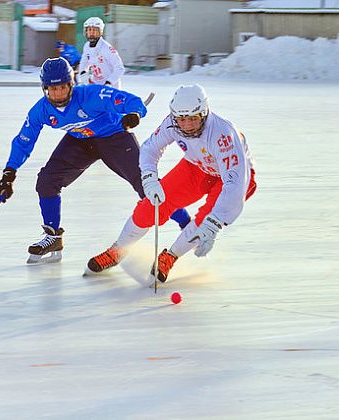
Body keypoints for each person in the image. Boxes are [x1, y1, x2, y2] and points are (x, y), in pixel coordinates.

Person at [0, 57, 190, 265]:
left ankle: (187, 224)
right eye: (52, 90)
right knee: (47, 181)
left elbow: (131, 101)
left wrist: (134, 114)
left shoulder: (92, 95)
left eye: (62, 87)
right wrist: (10, 171)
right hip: (80, 141)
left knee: (146, 185)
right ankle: (53, 236)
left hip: (113, 137)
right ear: (44, 89)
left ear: (71, 84)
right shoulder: (41, 110)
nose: (58, 94)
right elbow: (24, 140)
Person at [86, 84, 257, 283]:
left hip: (235, 177)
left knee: (205, 221)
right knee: (151, 207)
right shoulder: (171, 123)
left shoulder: (223, 134)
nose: (187, 125)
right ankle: (117, 251)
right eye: (181, 119)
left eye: (193, 118)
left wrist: (214, 223)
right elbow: (150, 149)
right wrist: (150, 179)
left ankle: (170, 256)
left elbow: (234, 184)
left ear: (204, 114)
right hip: (197, 167)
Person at [78, 17, 125, 89]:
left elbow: (119, 68)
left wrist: (109, 83)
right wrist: (84, 76)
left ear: (100, 32)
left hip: (110, 88)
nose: (91, 33)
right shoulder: (86, 46)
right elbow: (83, 63)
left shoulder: (107, 49)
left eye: (95, 30)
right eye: (89, 30)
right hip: (96, 86)